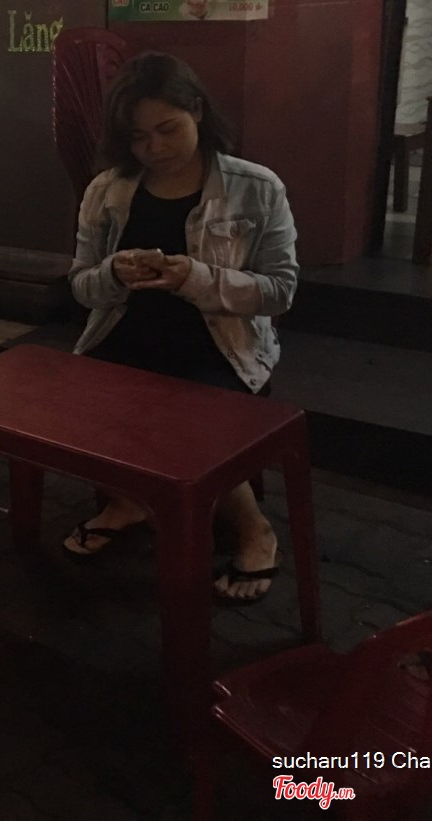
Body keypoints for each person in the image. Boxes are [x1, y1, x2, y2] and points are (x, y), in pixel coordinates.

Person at [63, 52, 298, 605]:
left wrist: (196, 278)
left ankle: (254, 528)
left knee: (186, 419)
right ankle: (128, 501)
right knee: (71, 406)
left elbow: (280, 290)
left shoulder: (256, 188)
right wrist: (113, 274)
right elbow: (80, 285)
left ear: (197, 110)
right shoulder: (107, 191)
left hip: (219, 346)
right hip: (124, 335)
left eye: (168, 129)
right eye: (139, 137)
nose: (156, 148)